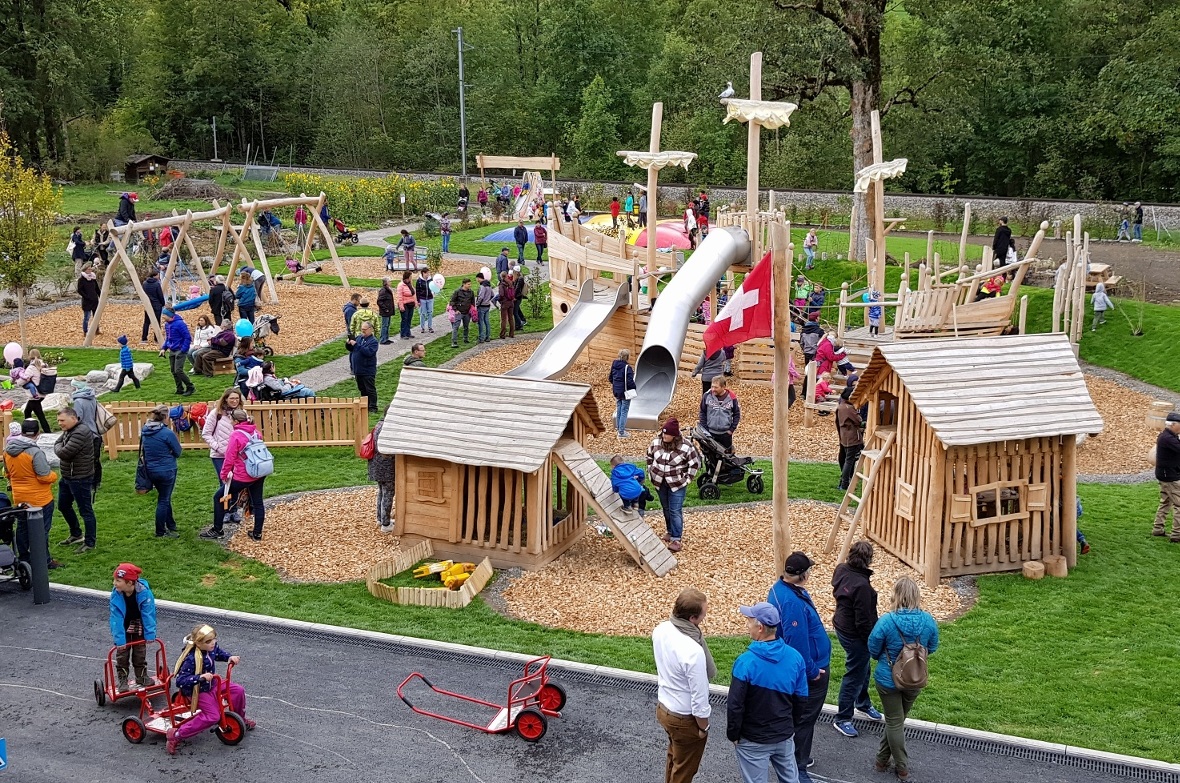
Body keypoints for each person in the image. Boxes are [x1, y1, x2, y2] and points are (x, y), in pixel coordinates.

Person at [728, 601, 809, 783]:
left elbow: (735, 705)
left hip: (753, 740)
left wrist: (733, 734)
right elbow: (801, 700)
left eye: (749, 621)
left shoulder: (745, 662)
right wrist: (789, 727)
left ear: (760, 628)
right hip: (784, 736)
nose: (747, 625)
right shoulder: (795, 658)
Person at [768, 551, 831, 783]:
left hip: (802, 669)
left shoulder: (782, 589)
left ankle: (795, 759)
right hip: (811, 673)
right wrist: (812, 671)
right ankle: (797, 769)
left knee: (800, 718)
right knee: (804, 720)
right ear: (802, 575)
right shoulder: (792, 602)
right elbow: (797, 643)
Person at [868, 577, 940, 781]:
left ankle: (902, 767)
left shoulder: (887, 621)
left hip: (887, 679)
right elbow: (933, 647)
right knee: (897, 721)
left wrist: (886, 657)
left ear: (896, 595)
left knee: (894, 722)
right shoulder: (928, 620)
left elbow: (873, 648)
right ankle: (881, 760)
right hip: (914, 678)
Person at [652, 588, 715, 783]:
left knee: (674, 759)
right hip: (684, 718)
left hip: (664, 709)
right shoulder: (693, 651)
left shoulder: (661, 629)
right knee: (684, 771)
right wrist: (703, 727)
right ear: (692, 618)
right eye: (703, 614)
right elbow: (699, 696)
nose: (705, 616)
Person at [167, 623, 254, 755]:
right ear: (198, 643)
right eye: (208, 641)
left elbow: (217, 653)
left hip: (212, 684)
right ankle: (177, 734)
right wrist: (199, 677)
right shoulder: (191, 658)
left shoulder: (211, 648)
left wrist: (229, 657)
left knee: (238, 690)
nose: (213, 643)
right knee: (213, 716)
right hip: (198, 691)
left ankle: (240, 719)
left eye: (214, 639)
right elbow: (180, 681)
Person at [830, 541, 883, 738]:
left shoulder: (841, 570)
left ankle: (862, 703)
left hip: (841, 626)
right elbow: (864, 622)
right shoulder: (863, 587)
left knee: (862, 667)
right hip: (855, 635)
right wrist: (872, 642)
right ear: (869, 560)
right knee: (854, 674)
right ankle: (842, 718)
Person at [203, 409, 268, 541]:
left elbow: (229, 457)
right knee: (258, 502)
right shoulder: (256, 432)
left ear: (236, 421)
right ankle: (257, 533)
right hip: (258, 472)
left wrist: (224, 474)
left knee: (219, 497)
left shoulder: (236, 435)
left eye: (231, 420)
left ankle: (217, 530)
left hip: (243, 476)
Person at [5, 419, 60, 569]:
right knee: (41, 530)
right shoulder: (35, 452)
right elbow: (43, 477)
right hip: (40, 499)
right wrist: (53, 475)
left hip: (20, 499)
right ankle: (44, 560)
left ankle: (24, 559)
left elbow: (7, 473)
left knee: (22, 529)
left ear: (22, 432)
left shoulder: (7, 451)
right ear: (38, 433)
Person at [646, 418, 701, 553]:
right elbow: (649, 457)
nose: (664, 436)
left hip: (677, 484)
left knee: (675, 510)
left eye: (667, 434)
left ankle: (676, 539)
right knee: (666, 508)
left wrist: (687, 480)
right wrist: (650, 472)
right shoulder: (656, 443)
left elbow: (695, 464)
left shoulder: (686, 446)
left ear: (674, 436)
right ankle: (670, 531)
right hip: (660, 482)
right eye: (663, 433)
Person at [54, 407, 98, 554]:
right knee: (63, 506)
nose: (60, 423)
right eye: (58, 421)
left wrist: (57, 446)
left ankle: (90, 542)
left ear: (73, 418)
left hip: (80, 478)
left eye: (62, 420)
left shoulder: (80, 432)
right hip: (68, 476)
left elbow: (63, 453)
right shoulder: (70, 430)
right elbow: (59, 444)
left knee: (85, 511)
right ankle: (76, 534)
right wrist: (59, 445)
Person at [109, 562, 158, 691]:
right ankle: (123, 680)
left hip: (138, 624)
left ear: (129, 583)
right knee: (122, 654)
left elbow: (149, 614)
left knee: (139, 652)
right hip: (123, 626)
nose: (114, 583)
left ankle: (141, 676)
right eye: (115, 580)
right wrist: (119, 640)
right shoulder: (116, 594)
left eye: (118, 580)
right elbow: (116, 619)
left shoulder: (144, 593)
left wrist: (150, 634)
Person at [140, 405, 182, 538]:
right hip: (166, 470)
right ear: (166, 417)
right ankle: (160, 531)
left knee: (165, 496)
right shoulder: (167, 433)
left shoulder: (145, 430)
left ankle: (171, 524)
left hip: (151, 470)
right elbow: (178, 452)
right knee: (163, 499)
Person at [69, 379, 104, 491]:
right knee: (96, 459)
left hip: (85, 434)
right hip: (96, 433)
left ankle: (88, 482)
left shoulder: (78, 401)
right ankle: (96, 482)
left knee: (86, 461)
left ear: (76, 387)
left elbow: (77, 419)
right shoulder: (92, 397)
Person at [1153, 412, 1180, 540]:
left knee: (1165, 502)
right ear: (1173, 425)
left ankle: (1158, 529)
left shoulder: (1166, 436)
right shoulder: (1168, 439)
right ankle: (1177, 534)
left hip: (1165, 475)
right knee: (1179, 505)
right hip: (1170, 477)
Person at [159, 308, 195, 397]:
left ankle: (190, 387)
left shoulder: (180, 324)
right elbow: (168, 338)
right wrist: (163, 348)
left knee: (178, 370)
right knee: (173, 371)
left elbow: (187, 337)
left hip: (180, 350)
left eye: (164, 315)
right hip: (172, 350)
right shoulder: (167, 324)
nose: (163, 316)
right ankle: (180, 389)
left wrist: (183, 350)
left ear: (169, 315)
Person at [369, 413, 396, 533]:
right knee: (388, 494)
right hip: (386, 467)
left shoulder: (378, 425)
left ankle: (380, 519)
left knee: (381, 492)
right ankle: (386, 524)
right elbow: (387, 450)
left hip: (376, 466)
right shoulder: (387, 428)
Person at [699, 377, 741, 453]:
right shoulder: (707, 395)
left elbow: (736, 414)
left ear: (723, 387)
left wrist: (731, 430)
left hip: (725, 434)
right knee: (710, 457)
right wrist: (705, 429)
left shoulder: (732, 397)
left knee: (726, 457)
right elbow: (702, 412)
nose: (713, 389)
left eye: (716, 387)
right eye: (712, 386)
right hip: (710, 433)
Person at [347, 322, 379, 413]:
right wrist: (349, 344)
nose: (363, 331)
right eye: (362, 329)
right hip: (358, 370)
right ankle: (365, 405)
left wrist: (356, 345)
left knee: (370, 389)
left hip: (367, 370)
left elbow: (368, 352)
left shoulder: (373, 341)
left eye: (365, 329)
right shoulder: (359, 338)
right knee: (362, 389)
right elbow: (351, 349)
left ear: (370, 329)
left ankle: (373, 407)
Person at [836, 387, 864, 491]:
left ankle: (843, 483)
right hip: (852, 437)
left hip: (844, 437)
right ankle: (844, 484)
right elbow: (858, 420)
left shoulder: (841, 406)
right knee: (849, 461)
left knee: (847, 460)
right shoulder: (848, 408)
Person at [609, 348, 637, 438]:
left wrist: (616, 385)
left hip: (616, 392)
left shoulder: (614, 364)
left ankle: (619, 429)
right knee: (624, 411)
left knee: (619, 409)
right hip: (625, 392)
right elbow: (630, 382)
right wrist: (634, 388)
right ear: (627, 357)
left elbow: (610, 378)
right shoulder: (627, 368)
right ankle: (621, 432)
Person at [140, 268, 165, 344]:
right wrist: (163, 303)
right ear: (155, 276)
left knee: (146, 322)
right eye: (158, 275)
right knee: (157, 322)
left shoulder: (145, 283)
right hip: (156, 305)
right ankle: (156, 338)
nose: (158, 276)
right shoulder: (157, 284)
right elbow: (160, 295)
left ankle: (144, 338)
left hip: (148, 305)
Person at [450, 278, 476, 347]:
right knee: (456, 327)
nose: (470, 285)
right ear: (464, 284)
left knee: (466, 327)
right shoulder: (457, 292)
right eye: (468, 284)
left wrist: (472, 310)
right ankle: (454, 342)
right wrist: (455, 310)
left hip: (467, 313)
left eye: (470, 284)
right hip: (459, 312)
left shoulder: (471, 292)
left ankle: (465, 339)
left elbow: (473, 302)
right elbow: (452, 301)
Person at [78, 265, 99, 335]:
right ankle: (85, 331)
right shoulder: (81, 279)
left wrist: (100, 296)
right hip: (87, 301)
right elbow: (79, 290)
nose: (90, 270)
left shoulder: (93, 278)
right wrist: (86, 296)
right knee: (87, 317)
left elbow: (97, 289)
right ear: (85, 270)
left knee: (96, 316)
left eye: (90, 269)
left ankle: (97, 330)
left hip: (94, 300)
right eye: (88, 269)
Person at [397, 270, 417, 340]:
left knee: (409, 319)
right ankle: (403, 334)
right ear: (407, 277)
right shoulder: (401, 285)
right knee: (404, 319)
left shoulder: (410, 284)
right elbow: (400, 297)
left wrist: (415, 303)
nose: (411, 277)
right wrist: (401, 306)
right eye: (410, 276)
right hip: (405, 304)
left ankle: (408, 333)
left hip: (411, 304)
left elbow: (413, 294)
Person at [416, 268, 435, 334]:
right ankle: (422, 327)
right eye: (426, 273)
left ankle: (430, 327)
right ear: (423, 273)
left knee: (430, 313)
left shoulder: (431, 280)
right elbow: (417, 291)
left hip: (430, 298)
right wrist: (418, 300)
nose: (427, 274)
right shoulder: (419, 281)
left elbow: (433, 288)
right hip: (422, 299)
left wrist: (433, 293)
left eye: (428, 273)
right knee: (423, 313)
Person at [377, 277, 396, 344]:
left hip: (388, 311)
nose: (391, 282)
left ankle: (386, 338)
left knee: (387, 325)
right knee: (384, 325)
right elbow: (379, 301)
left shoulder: (387, 290)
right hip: (385, 311)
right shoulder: (383, 291)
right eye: (389, 281)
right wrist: (385, 309)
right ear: (386, 282)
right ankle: (383, 339)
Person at [498, 272, 516, 339]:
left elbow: (501, 294)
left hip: (505, 303)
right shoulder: (510, 283)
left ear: (501, 277)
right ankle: (512, 333)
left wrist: (500, 300)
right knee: (511, 318)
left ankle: (502, 334)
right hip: (511, 302)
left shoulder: (502, 285)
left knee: (504, 319)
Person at [513, 266, 528, 330]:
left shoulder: (520, 278)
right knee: (517, 310)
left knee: (515, 312)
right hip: (518, 296)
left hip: (518, 297)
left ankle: (519, 324)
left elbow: (517, 288)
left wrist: (514, 296)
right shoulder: (519, 277)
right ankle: (523, 320)